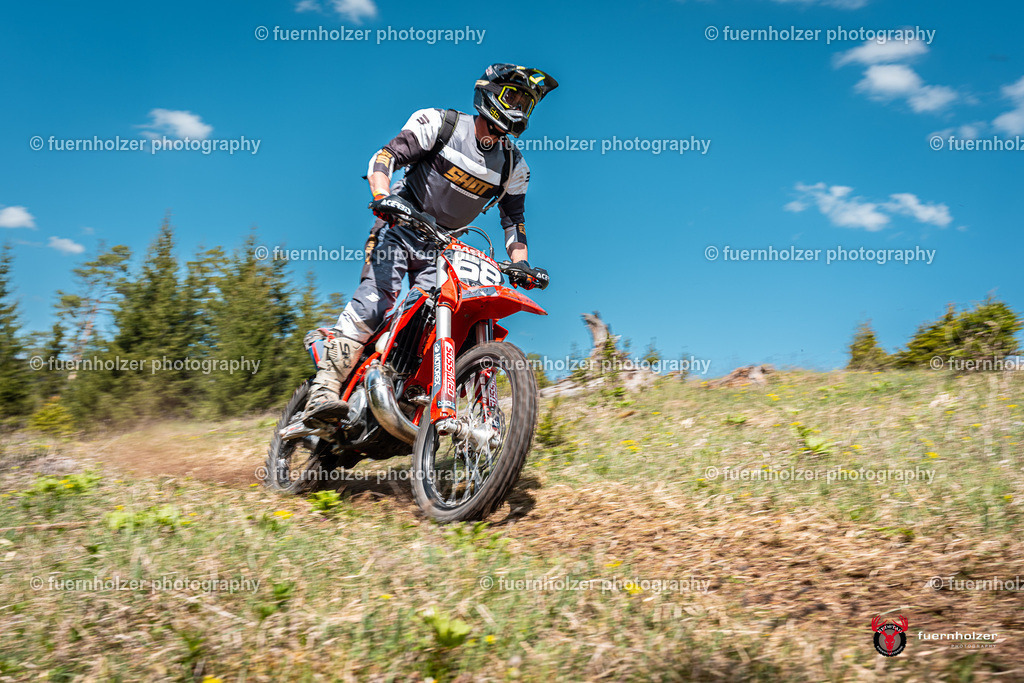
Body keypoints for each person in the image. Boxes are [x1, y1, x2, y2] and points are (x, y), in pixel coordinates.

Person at [303, 63, 558, 425]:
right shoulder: (440, 124)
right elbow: (386, 157)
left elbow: (514, 222)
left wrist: (521, 264)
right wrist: (382, 195)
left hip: (443, 247)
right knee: (375, 302)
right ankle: (324, 389)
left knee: (430, 317)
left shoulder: (514, 166)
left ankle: (401, 392)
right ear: (489, 93)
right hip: (400, 222)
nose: (518, 108)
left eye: (526, 103)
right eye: (512, 97)